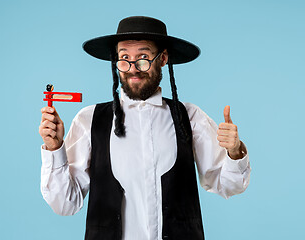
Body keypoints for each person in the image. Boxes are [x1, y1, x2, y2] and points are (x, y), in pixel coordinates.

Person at [39, 16, 251, 240]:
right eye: (124, 58)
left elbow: (229, 185)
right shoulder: (88, 120)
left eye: (143, 57)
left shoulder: (190, 117)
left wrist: (235, 152)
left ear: (163, 59)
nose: (133, 68)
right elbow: (65, 204)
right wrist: (54, 149)